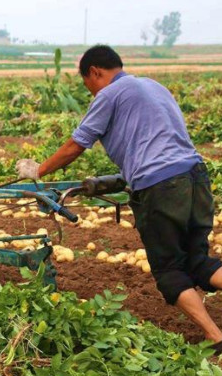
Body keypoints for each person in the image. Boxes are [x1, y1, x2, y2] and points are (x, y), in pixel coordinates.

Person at [16, 45, 222, 348]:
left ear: (95, 72)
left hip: (161, 186)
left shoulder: (109, 94)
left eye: (88, 85)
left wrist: (40, 170)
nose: (91, 93)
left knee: (168, 270)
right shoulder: (154, 87)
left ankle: (214, 336)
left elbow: (77, 145)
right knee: (198, 260)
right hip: (195, 176)